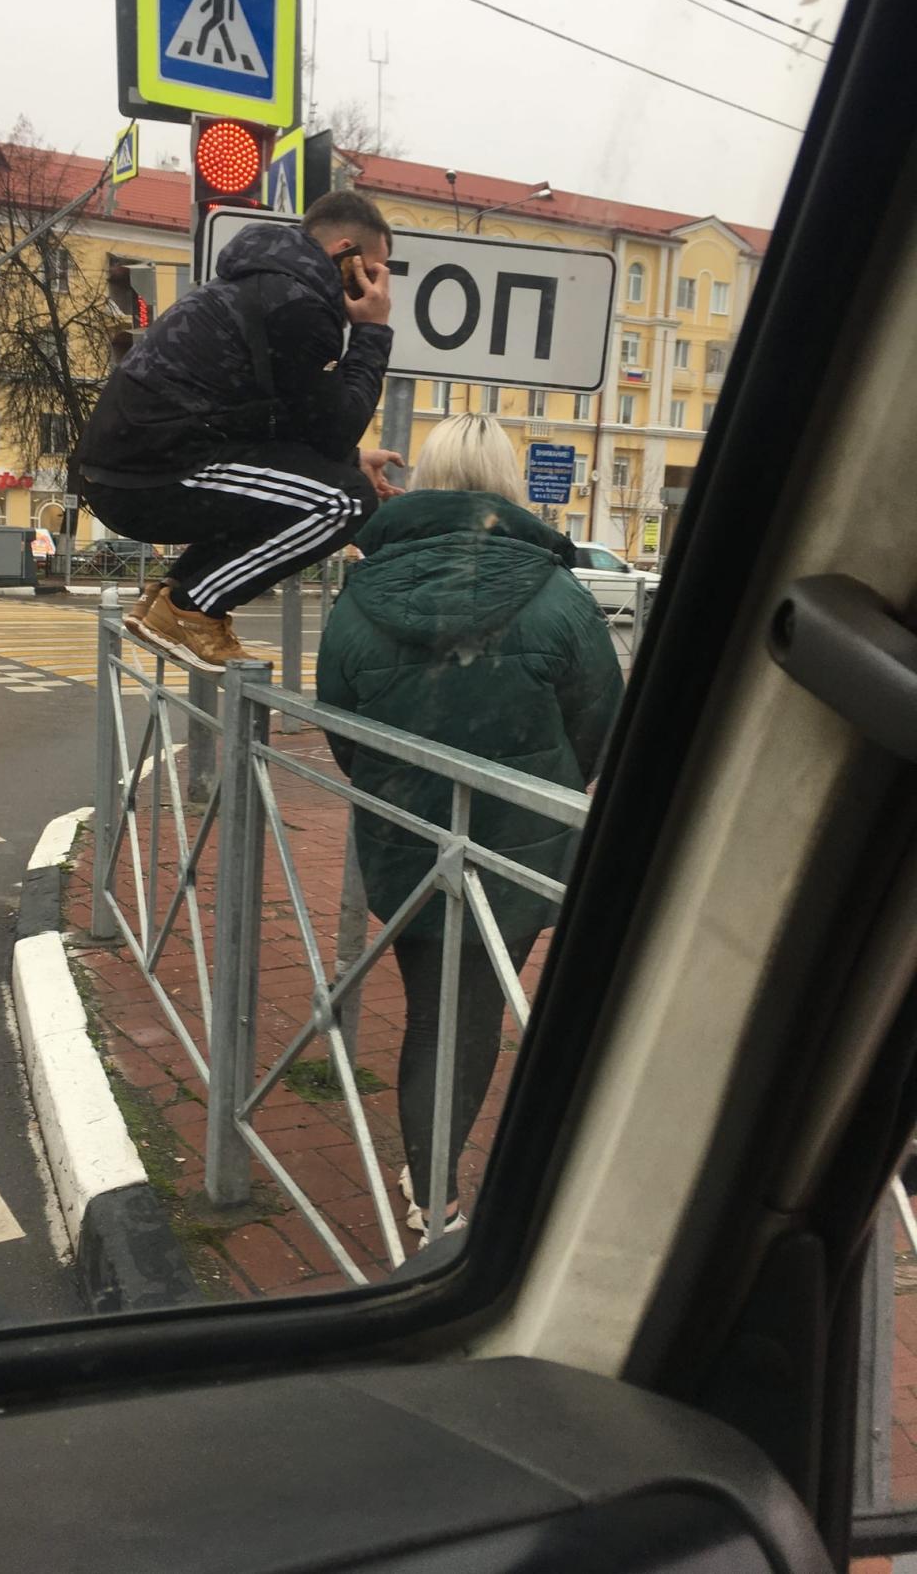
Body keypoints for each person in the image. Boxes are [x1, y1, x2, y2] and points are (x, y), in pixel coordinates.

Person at [315, 413, 623, 1239]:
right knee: (473, 1014)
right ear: (508, 484)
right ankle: (433, 1195)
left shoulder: (361, 594)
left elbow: (343, 728)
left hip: (404, 838)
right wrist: (535, 788)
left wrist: (400, 787)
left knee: (432, 1009)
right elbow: (599, 725)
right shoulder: (560, 596)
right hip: (517, 844)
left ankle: (430, 1187)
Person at [77, 191, 403, 674]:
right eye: (371, 272)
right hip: (155, 473)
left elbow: (293, 423)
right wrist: (373, 330)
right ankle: (191, 611)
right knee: (344, 501)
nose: (375, 286)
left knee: (332, 485)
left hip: (133, 468)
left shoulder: (263, 285)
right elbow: (334, 430)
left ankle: (171, 599)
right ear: (345, 253)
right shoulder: (297, 304)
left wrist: (352, 458)